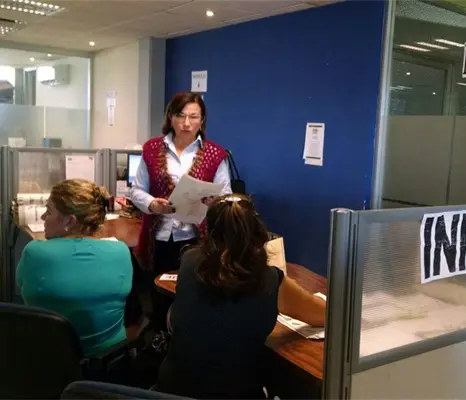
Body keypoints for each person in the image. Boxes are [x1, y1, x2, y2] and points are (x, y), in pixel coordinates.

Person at [156, 195, 326, 400]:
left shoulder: (189, 260)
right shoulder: (269, 279)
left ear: (209, 231)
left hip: (170, 391)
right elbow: (323, 315)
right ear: (257, 232)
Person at [131, 91, 231, 328]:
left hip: (196, 239)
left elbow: (225, 195)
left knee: (191, 298)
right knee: (158, 295)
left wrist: (215, 202)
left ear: (202, 120)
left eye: (193, 117)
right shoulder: (152, 149)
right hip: (158, 238)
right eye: (181, 116)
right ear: (171, 117)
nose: (186, 123)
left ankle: (184, 339)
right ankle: (159, 339)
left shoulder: (215, 154)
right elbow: (136, 190)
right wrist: (153, 204)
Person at [16, 179, 132, 357]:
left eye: (49, 211)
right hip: (110, 360)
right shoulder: (121, 251)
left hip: (49, 360)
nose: (43, 217)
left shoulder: (34, 253)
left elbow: (22, 287)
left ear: (70, 221)